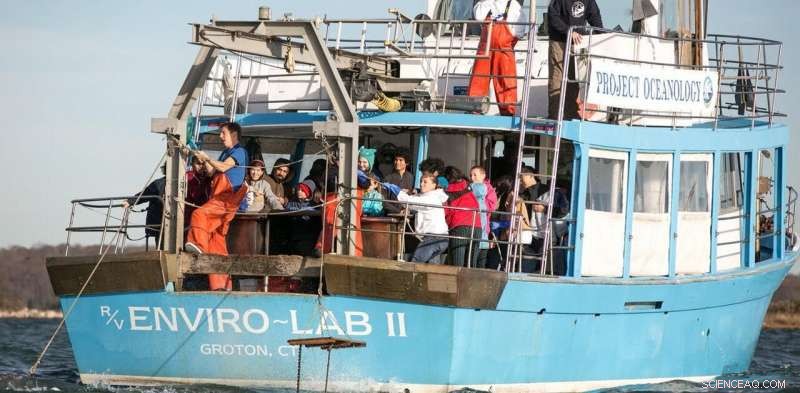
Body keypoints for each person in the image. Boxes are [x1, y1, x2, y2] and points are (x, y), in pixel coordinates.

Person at [185, 122, 249, 291]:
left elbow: (223, 167)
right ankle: (222, 287)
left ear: (234, 135)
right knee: (216, 242)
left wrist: (208, 158)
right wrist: (203, 159)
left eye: (223, 133)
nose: (220, 137)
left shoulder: (239, 152)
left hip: (226, 199)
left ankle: (197, 245)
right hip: (218, 197)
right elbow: (213, 172)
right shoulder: (224, 153)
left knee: (199, 215)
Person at [468, 0, 527, 116]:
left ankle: (508, 113)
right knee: (478, 79)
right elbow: (478, 15)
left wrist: (508, 37)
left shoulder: (513, 5)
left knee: (505, 81)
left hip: (504, 49)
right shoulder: (485, 4)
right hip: (485, 49)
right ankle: (475, 109)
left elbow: (519, 30)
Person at [547, 0, 603, 120]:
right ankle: (555, 116)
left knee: (573, 79)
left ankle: (570, 114)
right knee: (557, 78)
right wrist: (569, 31)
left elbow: (594, 17)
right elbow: (552, 16)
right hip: (559, 41)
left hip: (577, 43)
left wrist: (602, 36)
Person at [397, 173, 450, 263]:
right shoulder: (432, 196)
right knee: (431, 267)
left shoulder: (432, 198)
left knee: (416, 262)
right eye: (421, 181)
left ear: (434, 185)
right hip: (441, 238)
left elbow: (412, 202)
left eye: (425, 182)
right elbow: (415, 200)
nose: (421, 184)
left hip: (433, 237)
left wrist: (398, 193)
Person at [443, 166, 481, 267]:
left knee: (457, 266)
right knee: (471, 266)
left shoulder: (447, 192)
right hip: (476, 227)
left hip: (459, 227)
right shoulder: (468, 187)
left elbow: (445, 211)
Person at [124, 165, 166, 248]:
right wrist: (130, 201)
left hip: (180, 227)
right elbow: (145, 194)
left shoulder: (188, 182)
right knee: (161, 248)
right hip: (160, 227)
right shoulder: (158, 184)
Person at [470, 166, 498, 268]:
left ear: (483, 175)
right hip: (472, 225)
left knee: (480, 260)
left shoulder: (489, 189)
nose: (472, 178)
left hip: (483, 227)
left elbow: (491, 206)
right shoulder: (470, 187)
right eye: (471, 175)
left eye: (475, 175)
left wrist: (479, 201)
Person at [185, 156, 211, 228]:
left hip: (205, 213)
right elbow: (194, 195)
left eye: (203, 164)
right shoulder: (188, 176)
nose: (201, 166)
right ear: (192, 164)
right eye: (198, 164)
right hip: (190, 212)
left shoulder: (208, 176)